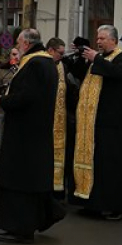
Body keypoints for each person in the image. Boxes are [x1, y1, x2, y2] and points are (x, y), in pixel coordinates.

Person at [0, 28, 64, 244]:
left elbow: (25, 97)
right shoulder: (46, 62)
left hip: (24, 134)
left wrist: (1, 101)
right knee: (32, 180)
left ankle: (21, 229)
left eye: (19, 42)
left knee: (18, 179)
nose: (17, 46)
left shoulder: (34, 63)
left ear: (26, 43)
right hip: (36, 132)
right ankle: (36, 219)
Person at [74, 25, 122, 220]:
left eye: (102, 38)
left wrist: (96, 59)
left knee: (111, 165)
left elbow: (119, 75)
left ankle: (118, 208)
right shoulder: (97, 60)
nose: (98, 41)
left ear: (113, 41)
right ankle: (94, 204)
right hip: (93, 123)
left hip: (112, 123)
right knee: (95, 164)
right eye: (97, 38)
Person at [43, 38, 68, 196]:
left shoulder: (63, 66)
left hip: (60, 120)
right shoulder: (41, 65)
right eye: (60, 53)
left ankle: (57, 190)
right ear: (50, 50)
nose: (62, 57)